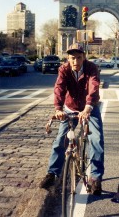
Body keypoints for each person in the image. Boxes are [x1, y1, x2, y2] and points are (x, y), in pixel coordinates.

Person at [39, 43, 104, 195]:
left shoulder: (91, 68)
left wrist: (88, 107)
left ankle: (95, 177)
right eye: (72, 58)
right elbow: (59, 88)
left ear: (84, 57)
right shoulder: (64, 69)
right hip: (70, 107)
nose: (75, 61)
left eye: (79, 58)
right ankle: (52, 173)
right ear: (68, 58)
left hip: (90, 107)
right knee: (61, 140)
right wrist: (58, 109)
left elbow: (93, 86)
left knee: (97, 140)